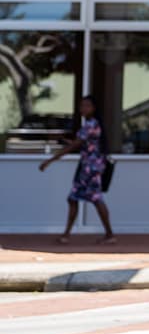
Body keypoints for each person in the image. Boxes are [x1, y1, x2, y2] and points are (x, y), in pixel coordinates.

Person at [39, 96, 115, 244]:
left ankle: (109, 234)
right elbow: (82, 144)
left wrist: (50, 160)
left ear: (94, 108)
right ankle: (68, 234)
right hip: (89, 167)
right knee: (75, 198)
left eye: (87, 106)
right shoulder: (91, 124)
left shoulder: (90, 124)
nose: (83, 109)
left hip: (90, 168)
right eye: (82, 106)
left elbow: (75, 145)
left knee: (94, 199)